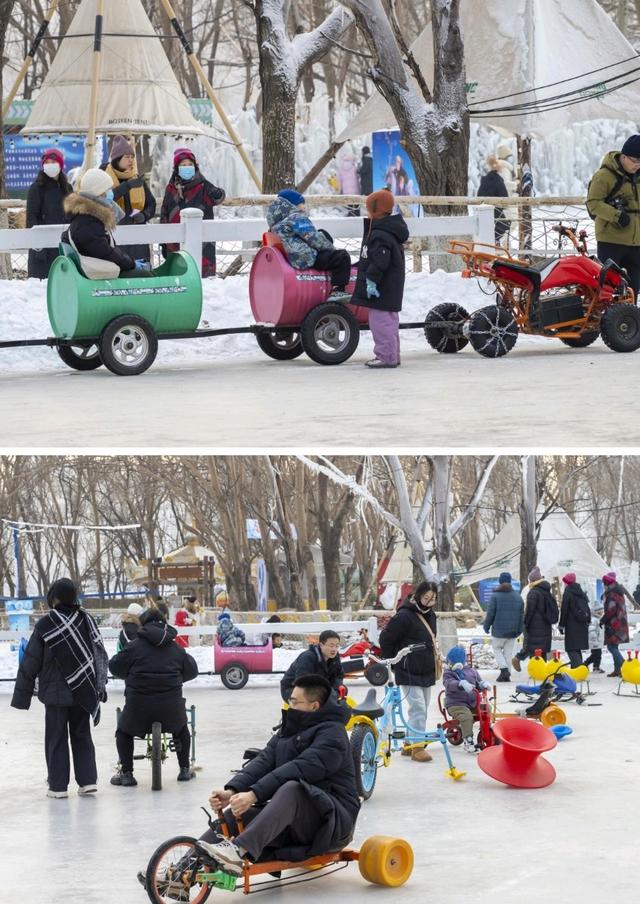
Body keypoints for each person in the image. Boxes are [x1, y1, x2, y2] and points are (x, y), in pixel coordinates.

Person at [195, 674, 360, 875]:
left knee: (294, 788)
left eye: (294, 701)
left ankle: (237, 851)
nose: (289, 705)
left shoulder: (334, 736)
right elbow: (264, 761)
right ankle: (180, 870)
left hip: (332, 824)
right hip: (293, 819)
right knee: (239, 814)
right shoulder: (290, 729)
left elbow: (299, 768)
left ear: (314, 706)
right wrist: (232, 790)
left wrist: (253, 795)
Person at [11, 578, 108, 798]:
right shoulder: (86, 620)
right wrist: (99, 686)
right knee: (82, 735)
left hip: (55, 695)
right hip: (83, 690)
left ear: (54, 597)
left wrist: (21, 696)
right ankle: (87, 781)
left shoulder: (47, 624)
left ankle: (58, 787)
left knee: (56, 738)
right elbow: (99, 654)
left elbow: (31, 660)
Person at [108, 603, 198, 785]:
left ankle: (127, 774)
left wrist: (129, 675)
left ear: (142, 624)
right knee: (181, 729)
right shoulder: (176, 649)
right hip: (171, 709)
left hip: (138, 709)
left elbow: (115, 667)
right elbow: (192, 670)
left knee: (123, 732)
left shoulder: (133, 647)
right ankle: (184, 769)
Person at [379, 580, 440, 762]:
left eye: (432, 599)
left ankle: (409, 742)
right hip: (408, 668)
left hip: (426, 668)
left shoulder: (431, 615)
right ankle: (417, 747)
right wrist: (393, 662)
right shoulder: (404, 616)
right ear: (418, 596)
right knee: (418, 708)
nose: (428, 602)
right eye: (426, 598)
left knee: (423, 708)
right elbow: (386, 638)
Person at [351, 188, 409, 369]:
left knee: (381, 323)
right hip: (390, 286)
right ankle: (392, 354)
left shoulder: (380, 234)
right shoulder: (388, 230)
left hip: (383, 287)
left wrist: (371, 280)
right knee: (389, 321)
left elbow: (379, 261)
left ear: (375, 210)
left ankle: (386, 356)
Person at [266, 189, 352, 300]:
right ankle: (337, 290)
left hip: (291, 258)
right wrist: (331, 249)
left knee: (322, 233)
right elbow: (314, 239)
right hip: (306, 258)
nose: (304, 207)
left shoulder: (275, 226)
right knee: (342, 257)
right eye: (301, 203)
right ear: (291, 204)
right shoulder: (296, 218)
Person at [62, 168, 150, 276]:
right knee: (146, 275)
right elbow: (106, 253)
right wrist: (132, 264)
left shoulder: (88, 218)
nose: (111, 193)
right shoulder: (87, 222)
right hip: (101, 275)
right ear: (99, 193)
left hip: (103, 271)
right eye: (108, 189)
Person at [586, 135, 640, 300]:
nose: (638, 165)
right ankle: (604, 320)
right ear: (623, 156)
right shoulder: (604, 176)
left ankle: (628, 322)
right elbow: (593, 203)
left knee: (634, 288)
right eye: (635, 161)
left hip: (637, 242)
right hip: (611, 241)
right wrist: (617, 216)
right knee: (607, 288)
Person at [160, 147, 225, 277]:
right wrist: (163, 240)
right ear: (177, 168)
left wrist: (217, 193)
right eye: (183, 165)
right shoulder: (171, 188)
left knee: (201, 277)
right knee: (178, 276)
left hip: (203, 242)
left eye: (190, 164)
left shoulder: (203, 185)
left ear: (195, 166)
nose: (187, 167)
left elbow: (217, 198)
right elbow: (165, 212)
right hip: (175, 242)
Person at [102, 135, 156, 265]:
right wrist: (127, 186)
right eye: (127, 157)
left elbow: (151, 204)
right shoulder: (104, 177)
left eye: (132, 157)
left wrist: (144, 216)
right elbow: (103, 200)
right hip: (114, 240)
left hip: (138, 242)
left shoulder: (136, 178)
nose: (131, 160)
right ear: (116, 159)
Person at [26, 147, 72, 279]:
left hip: (63, 246)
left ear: (60, 165)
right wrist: (38, 246)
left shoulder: (67, 188)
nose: (50, 165)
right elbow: (31, 218)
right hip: (42, 251)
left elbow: (73, 215)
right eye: (47, 162)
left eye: (53, 162)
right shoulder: (36, 188)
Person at [442, 645, 491, 754]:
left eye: (457, 662)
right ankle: (468, 741)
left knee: (486, 709)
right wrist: (460, 683)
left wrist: (483, 684)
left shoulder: (472, 671)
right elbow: (448, 684)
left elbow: (478, 683)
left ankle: (487, 731)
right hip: (456, 704)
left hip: (473, 703)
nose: (454, 665)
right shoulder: (448, 673)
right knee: (466, 716)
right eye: (452, 662)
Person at [512, 567, 559, 671]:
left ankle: (522, 661)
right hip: (546, 626)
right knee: (541, 650)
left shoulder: (533, 592)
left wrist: (525, 623)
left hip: (534, 626)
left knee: (533, 649)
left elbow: (529, 611)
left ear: (532, 580)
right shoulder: (547, 591)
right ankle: (541, 671)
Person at [482, 571, 524, 682]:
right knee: (508, 652)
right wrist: (520, 629)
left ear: (500, 582)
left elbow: (490, 613)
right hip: (513, 631)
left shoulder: (495, 596)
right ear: (510, 582)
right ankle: (507, 674)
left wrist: (486, 626)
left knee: (496, 648)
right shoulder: (518, 597)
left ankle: (504, 670)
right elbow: (521, 616)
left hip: (499, 631)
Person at [280, 629, 344, 702]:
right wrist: (324, 693)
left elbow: (338, 676)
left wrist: (334, 691)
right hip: (294, 689)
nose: (334, 649)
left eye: (337, 646)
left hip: (320, 689)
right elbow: (302, 682)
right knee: (314, 698)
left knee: (342, 690)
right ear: (321, 645)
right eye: (331, 645)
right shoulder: (308, 657)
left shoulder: (335, 657)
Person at [559, 573, 591, 668]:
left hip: (571, 625)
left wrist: (561, 625)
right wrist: (587, 621)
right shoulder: (581, 592)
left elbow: (564, 610)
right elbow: (587, 608)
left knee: (571, 648)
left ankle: (579, 668)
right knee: (577, 649)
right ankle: (576, 670)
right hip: (582, 624)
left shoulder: (568, 592)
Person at [600, 571, 628, 677]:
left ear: (607, 583)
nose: (603, 585)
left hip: (615, 624)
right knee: (614, 646)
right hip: (620, 623)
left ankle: (625, 666)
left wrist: (603, 620)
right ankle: (618, 670)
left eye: (604, 583)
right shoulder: (617, 591)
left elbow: (611, 610)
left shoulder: (612, 594)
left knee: (611, 647)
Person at [477, 154, 510, 244]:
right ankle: (494, 241)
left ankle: (489, 242)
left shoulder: (484, 180)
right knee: (504, 225)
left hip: (484, 208)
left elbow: (479, 194)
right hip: (496, 208)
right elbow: (504, 195)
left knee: (486, 227)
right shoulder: (498, 180)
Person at [337, 148, 361, 216]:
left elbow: (339, 180)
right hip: (355, 188)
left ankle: (350, 213)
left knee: (349, 202)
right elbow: (358, 177)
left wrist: (340, 189)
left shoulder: (341, 169)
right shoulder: (354, 168)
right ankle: (357, 213)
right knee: (356, 202)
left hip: (346, 189)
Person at [584, 600, 605, 673]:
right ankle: (595, 667)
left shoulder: (598, 619)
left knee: (595, 655)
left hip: (597, 642)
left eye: (602, 612)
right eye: (599, 612)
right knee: (597, 655)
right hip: (594, 642)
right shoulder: (593, 620)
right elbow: (591, 631)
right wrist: (594, 640)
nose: (601, 613)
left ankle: (585, 664)